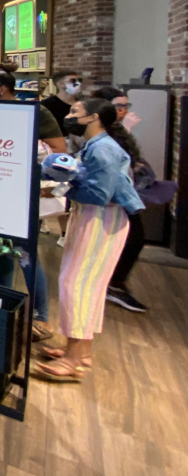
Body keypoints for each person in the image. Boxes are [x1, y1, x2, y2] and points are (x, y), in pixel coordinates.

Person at [35, 98, 144, 383]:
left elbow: (99, 194)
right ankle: (79, 350)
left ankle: (74, 358)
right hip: (92, 217)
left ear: (93, 117)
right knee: (85, 284)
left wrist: (62, 189)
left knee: (76, 284)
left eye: (75, 112)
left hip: (99, 220)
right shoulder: (96, 145)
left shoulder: (103, 149)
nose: (70, 115)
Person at [0, 68, 65, 340]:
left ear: (2, 89)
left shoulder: (36, 112)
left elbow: (59, 151)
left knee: (26, 254)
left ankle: (41, 317)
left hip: (24, 192)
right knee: (0, 250)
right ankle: (5, 304)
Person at [93, 86, 151, 313]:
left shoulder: (116, 130)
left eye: (126, 106)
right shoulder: (99, 132)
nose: (123, 111)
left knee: (133, 239)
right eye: (118, 106)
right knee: (132, 239)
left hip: (122, 194)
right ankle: (111, 284)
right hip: (110, 197)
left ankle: (112, 283)